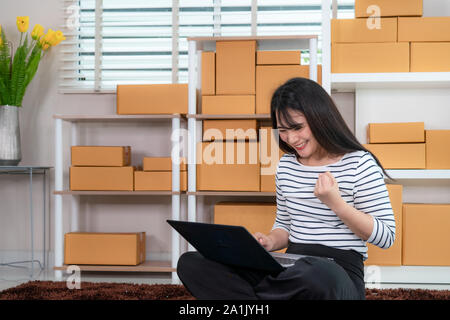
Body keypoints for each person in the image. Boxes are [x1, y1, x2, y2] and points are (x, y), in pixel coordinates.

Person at [177, 77, 396, 300]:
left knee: (318, 274)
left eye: (298, 127)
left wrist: (336, 204)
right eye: (282, 130)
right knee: (192, 262)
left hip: (336, 274)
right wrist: (270, 242)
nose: (291, 138)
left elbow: (386, 236)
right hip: (291, 271)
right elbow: (285, 225)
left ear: (321, 118)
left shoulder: (359, 163)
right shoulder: (287, 165)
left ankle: (258, 298)